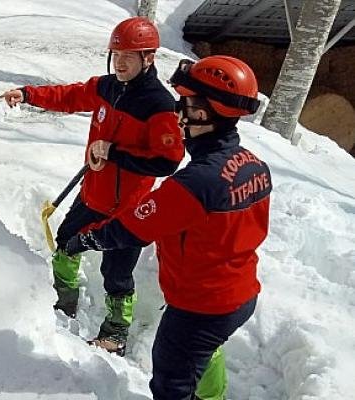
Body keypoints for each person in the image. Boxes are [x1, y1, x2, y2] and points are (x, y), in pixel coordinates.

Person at [63, 55, 269, 399]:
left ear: (202, 113)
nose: (177, 114)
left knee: (172, 382)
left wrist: (84, 238)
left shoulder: (194, 184)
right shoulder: (254, 165)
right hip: (241, 295)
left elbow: (132, 227)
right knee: (203, 353)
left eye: (183, 105)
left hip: (199, 307)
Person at [2, 17, 184, 355]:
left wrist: (115, 153)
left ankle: (114, 334)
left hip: (129, 211)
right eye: (116, 55)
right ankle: (62, 301)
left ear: (150, 58)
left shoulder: (159, 105)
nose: (120, 62)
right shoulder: (107, 87)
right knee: (65, 247)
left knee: (117, 275)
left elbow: (167, 161)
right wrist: (28, 94)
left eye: (129, 55)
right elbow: (70, 96)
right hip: (92, 195)